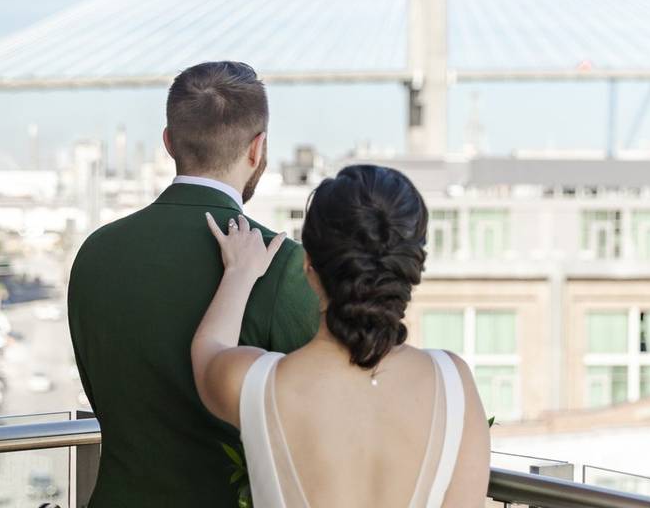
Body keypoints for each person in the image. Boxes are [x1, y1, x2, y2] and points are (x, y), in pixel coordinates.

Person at [68, 62, 320, 507]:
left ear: (168, 142)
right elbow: (318, 418)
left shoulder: (95, 254)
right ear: (257, 149)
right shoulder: (281, 266)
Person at [191, 164, 490, 507]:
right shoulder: (455, 384)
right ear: (412, 268)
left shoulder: (256, 384)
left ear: (308, 265)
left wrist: (240, 272)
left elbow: (207, 348)